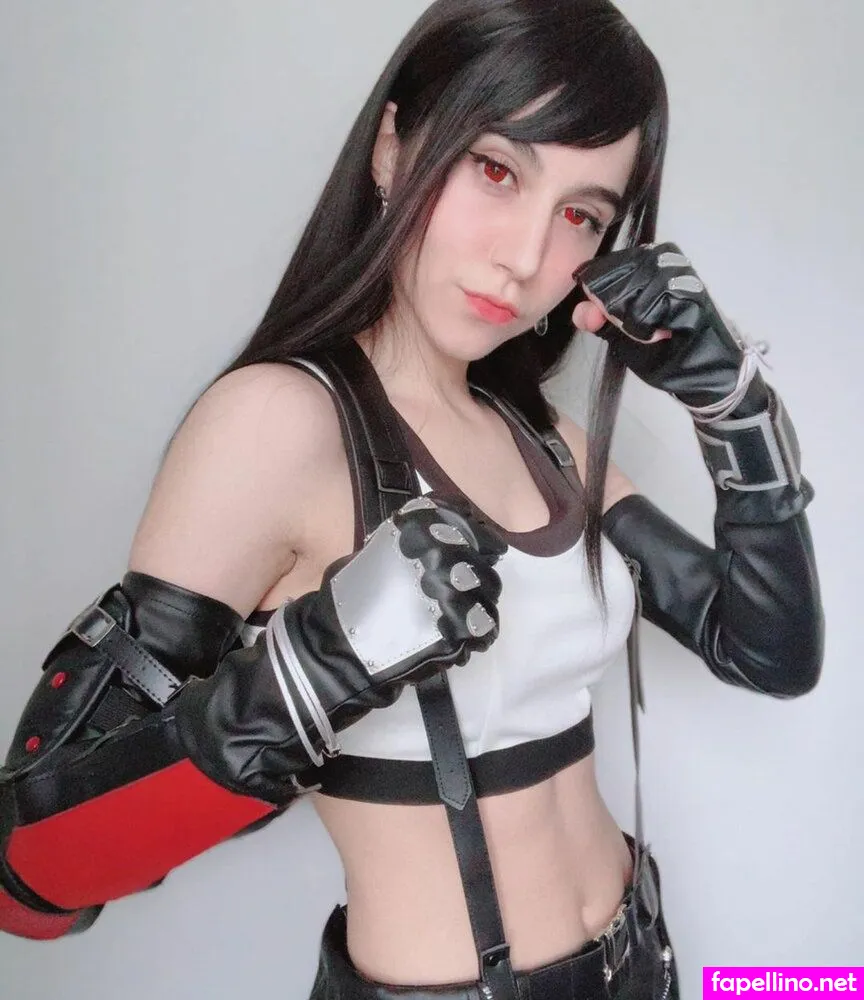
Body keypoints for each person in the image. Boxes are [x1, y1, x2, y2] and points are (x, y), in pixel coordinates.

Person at [0, 1, 823, 998]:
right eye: (496, 170)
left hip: (642, 960)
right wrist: (316, 667)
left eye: (581, 215)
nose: (526, 258)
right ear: (393, 146)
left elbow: (768, 650)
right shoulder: (278, 424)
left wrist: (734, 404)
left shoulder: (545, 440)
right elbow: (32, 878)